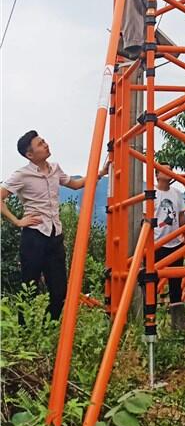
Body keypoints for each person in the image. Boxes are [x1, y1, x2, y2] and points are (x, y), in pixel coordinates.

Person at [0, 132, 108, 320]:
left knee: (59, 291)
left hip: (55, 235)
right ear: (30, 155)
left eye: (44, 141)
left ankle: (48, 325)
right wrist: (17, 221)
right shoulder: (22, 174)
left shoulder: (55, 169)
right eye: (40, 144)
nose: (46, 145)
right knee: (29, 288)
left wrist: (100, 173)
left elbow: (75, 184)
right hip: (34, 236)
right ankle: (25, 334)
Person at [153, 172, 185, 331]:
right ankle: (150, 323)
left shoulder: (176, 193)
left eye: (171, 169)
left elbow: (181, 216)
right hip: (157, 244)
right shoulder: (152, 194)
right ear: (157, 175)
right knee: (151, 284)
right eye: (165, 169)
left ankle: (178, 326)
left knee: (176, 285)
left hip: (175, 243)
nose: (170, 172)